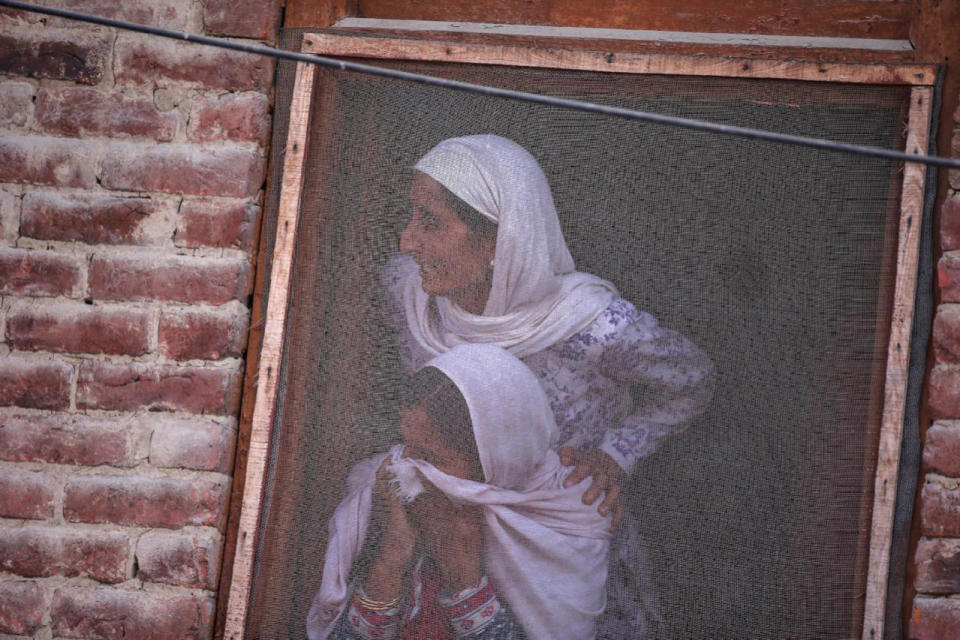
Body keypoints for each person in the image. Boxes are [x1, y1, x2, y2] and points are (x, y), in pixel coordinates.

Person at [382, 134, 715, 637]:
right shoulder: (408, 294)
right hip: (442, 541)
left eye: (431, 222)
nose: (408, 242)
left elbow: (692, 379)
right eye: (412, 216)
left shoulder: (591, 326)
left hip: (559, 555)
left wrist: (615, 453)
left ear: (497, 241)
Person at [306, 344, 612, 640]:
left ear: (496, 459)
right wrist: (393, 556)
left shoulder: (570, 516)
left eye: (432, 458)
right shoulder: (378, 499)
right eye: (406, 445)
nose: (406, 464)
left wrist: (463, 579)